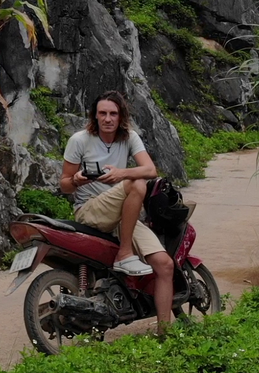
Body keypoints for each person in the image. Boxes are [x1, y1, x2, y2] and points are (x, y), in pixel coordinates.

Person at [59, 90, 174, 329]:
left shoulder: (129, 138)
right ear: (95, 116)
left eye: (113, 113)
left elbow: (150, 169)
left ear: (121, 117)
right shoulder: (79, 140)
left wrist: (121, 173)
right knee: (136, 183)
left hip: (123, 215)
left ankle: (166, 332)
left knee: (165, 264)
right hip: (90, 210)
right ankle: (125, 254)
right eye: (102, 113)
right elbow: (64, 185)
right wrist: (79, 180)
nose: (108, 119)